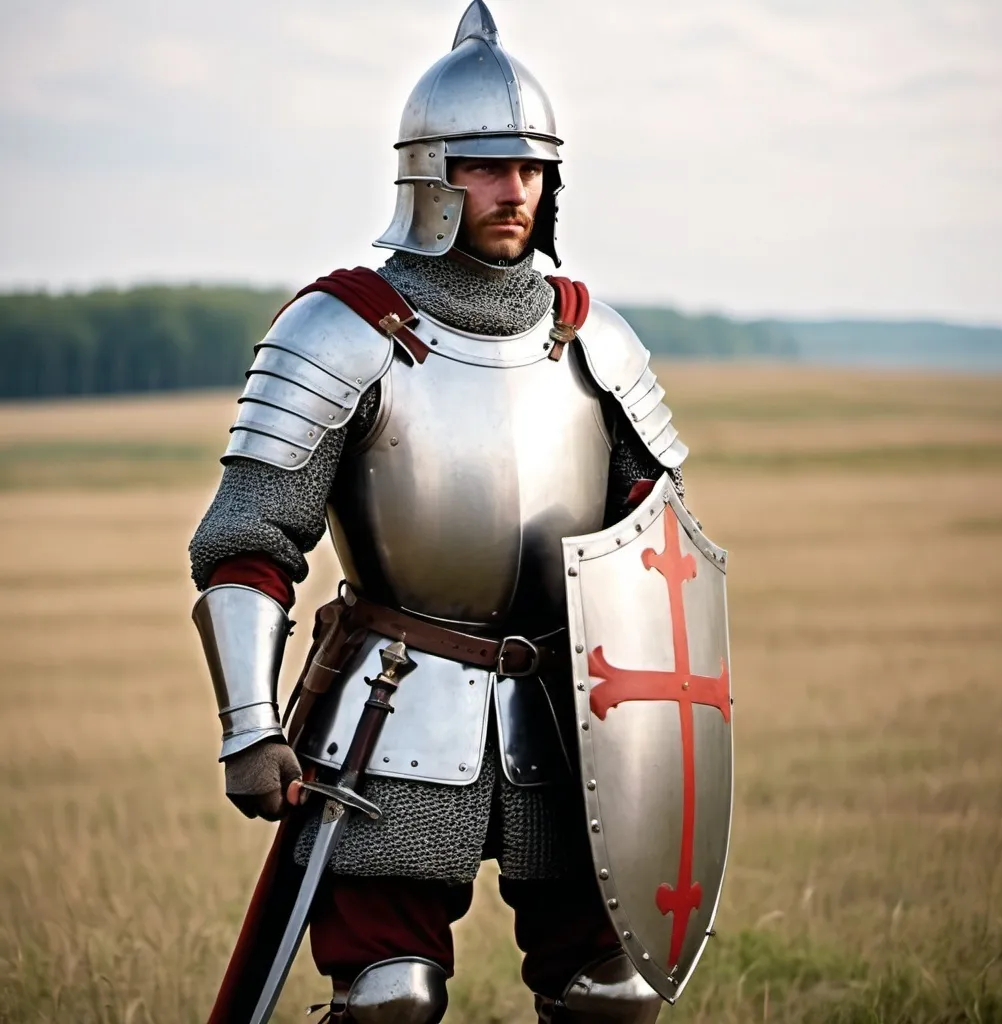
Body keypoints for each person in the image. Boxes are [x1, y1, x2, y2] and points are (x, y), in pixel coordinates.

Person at [189, 4, 689, 1021]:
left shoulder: (594, 339)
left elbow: (661, 552)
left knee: (610, 994)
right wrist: (248, 724)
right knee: (390, 1002)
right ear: (429, 173)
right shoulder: (344, 327)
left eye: (531, 169)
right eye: (486, 165)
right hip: (394, 706)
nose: (515, 190)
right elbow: (249, 541)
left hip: (568, 716)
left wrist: (665, 725)